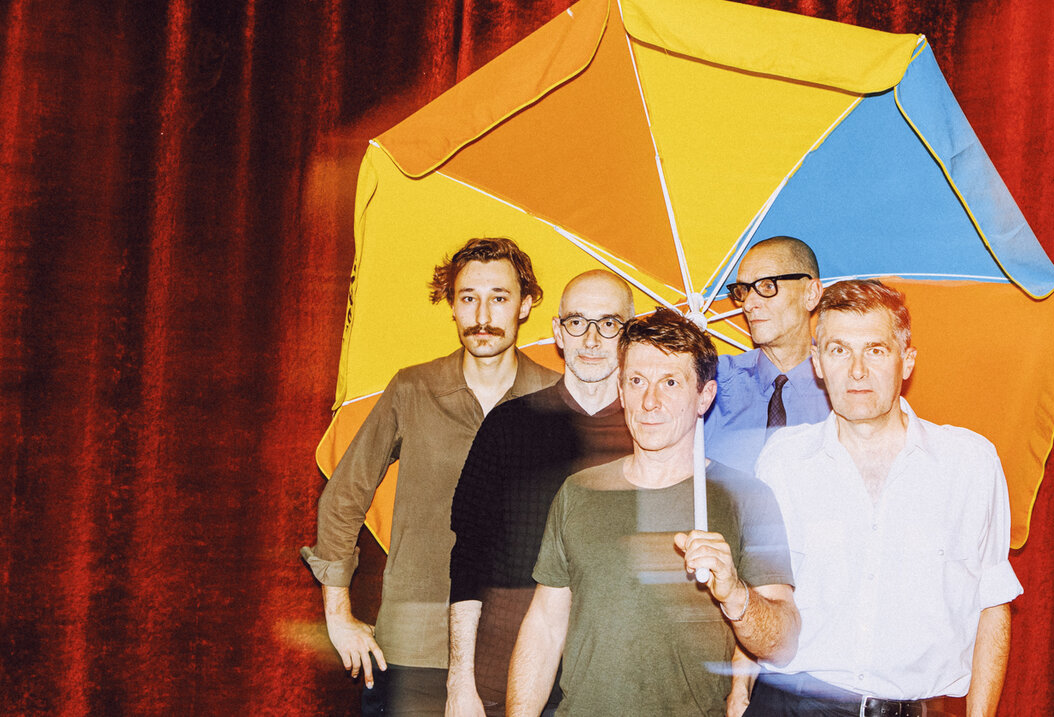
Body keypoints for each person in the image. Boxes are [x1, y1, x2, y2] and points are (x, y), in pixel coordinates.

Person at [301, 237, 559, 716]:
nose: (483, 315)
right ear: (452, 306)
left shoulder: (554, 400)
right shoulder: (413, 388)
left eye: (499, 297)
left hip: (521, 649)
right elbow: (344, 496)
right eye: (469, 298)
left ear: (525, 305)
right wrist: (337, 616)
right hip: (415, 646)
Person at [748, 280, 1023, 717]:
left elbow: (992, 603)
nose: (857, 370)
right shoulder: (782, 461)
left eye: (875, 350)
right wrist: (738, 692)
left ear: (906, 360)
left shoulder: (969, 462)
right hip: (791, 704)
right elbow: (764, 591)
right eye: (839, 350)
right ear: (817, 362)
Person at [506, 308, 800, 717]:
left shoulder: (747, 498)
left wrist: (735, 594)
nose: (649, 401)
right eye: (637, 381)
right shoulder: (579, 491)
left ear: (704, 397)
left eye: (670, 382)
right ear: (621, 391)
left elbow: (783, 645)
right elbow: (544, 625)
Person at [445, 270, 636, 716]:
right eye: (577, 322)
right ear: (558, 332)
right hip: (503, 679)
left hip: (611, 687)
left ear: (629, 334)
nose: (592, 339)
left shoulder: (653, 433)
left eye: (609, 324)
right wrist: (460, 683)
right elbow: (468, 555)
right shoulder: (508, 426)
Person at [704, 236, 829, 475]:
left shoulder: (845, 387)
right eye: (743, 290)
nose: (748, 304)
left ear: (811, 294)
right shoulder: (711, 381)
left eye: (768, 286)